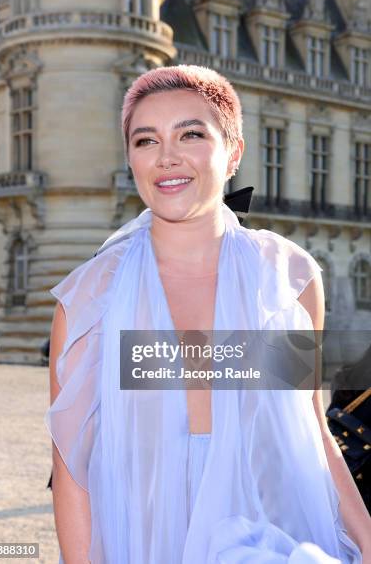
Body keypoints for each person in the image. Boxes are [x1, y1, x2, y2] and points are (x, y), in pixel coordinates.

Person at [45, 65, 371, 563]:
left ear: (233, 151)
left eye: (191, 134)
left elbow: (310, 431)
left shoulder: (287, 278)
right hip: (145, 541)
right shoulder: (93, 297)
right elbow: (71, 467)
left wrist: (367, 540)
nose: (166, 156)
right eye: (145, 140)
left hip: (272, 537)